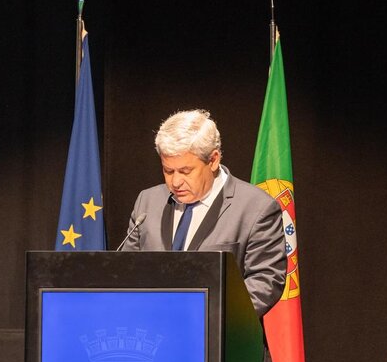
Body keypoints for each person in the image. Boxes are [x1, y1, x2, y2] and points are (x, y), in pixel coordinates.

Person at [121, 109, 286, 317]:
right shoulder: (147, 201)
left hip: (218, 331)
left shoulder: (256, 208)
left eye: (185, 171)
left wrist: (204, 319)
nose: (175, 182)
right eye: (168, 171)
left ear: (213, 160)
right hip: (152, 330)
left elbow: (266, 281)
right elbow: (127, 271)